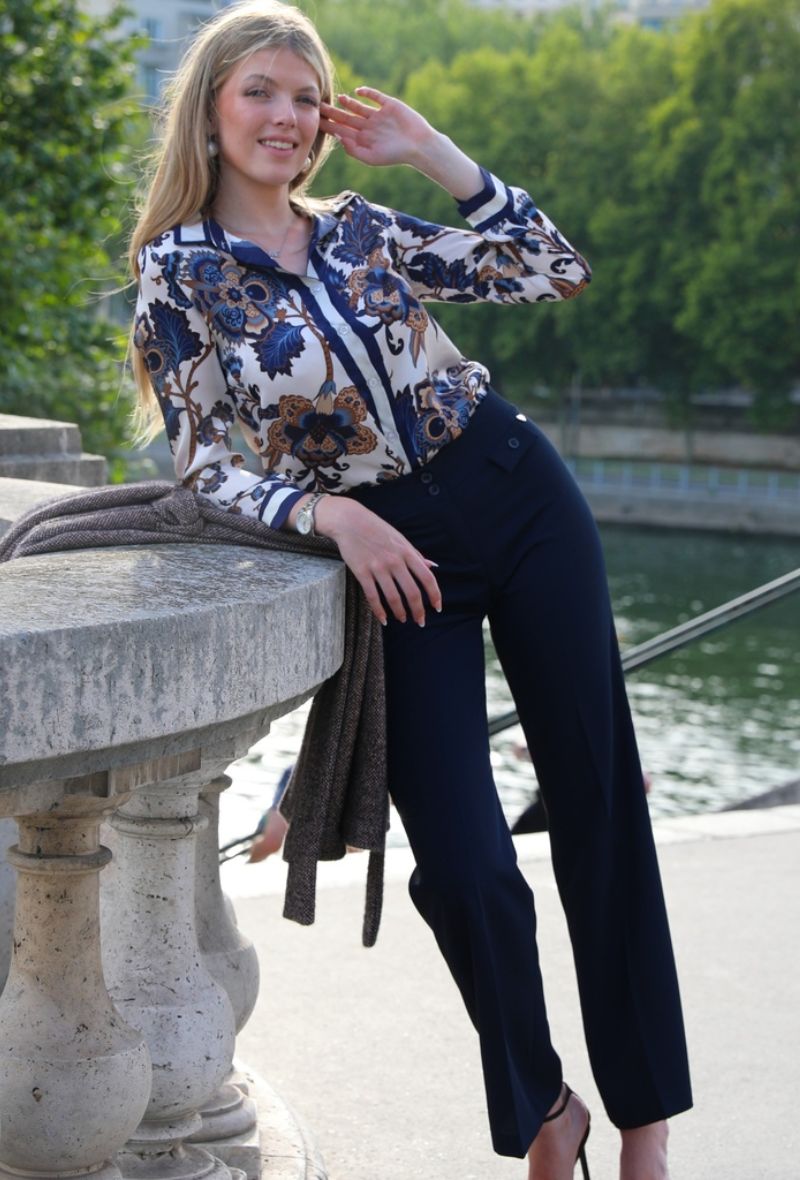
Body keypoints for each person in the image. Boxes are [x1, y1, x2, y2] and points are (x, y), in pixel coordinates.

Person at [129, 3, 692, 1176]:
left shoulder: (361, 228)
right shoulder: (178, 274)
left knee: (597, 800)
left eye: (304, 97)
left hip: (514, 491)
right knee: (466, 863)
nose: (286, 116)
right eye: (259, 92)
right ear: (210, 111)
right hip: (393, 554)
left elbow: (552, 268)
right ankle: (545, 1105)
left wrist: (435, 154)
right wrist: (330, 514)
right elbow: (201, 463)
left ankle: (643, 1127)